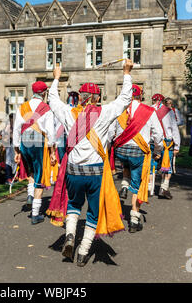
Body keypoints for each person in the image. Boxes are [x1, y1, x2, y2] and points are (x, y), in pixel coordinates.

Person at [46, 60, 133, 267]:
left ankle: (69, 236)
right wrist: (127, 73)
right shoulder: (104, 113)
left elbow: (52, 99)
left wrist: (56, 77)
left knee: (74, 205)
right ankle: (84, 251)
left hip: (73, 170)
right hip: (95, 172)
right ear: (97, 98)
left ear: (81, 98)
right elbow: (125, 98)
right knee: (93, 212)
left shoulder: (69, 112)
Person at [109, 86, 164, 233]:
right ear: (141, 97)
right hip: (138, 152)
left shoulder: (119, 109)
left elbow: (110, 132)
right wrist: (158, 151)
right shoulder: (148, 111)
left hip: (120, 150)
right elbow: (158, 135)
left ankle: (124, 185)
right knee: (138, 184)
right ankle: (134, 219)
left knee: (126, 162)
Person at [13, 80, 56, 224]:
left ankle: (30, 195)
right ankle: (35, 215)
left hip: (24, 142)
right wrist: (52, 152)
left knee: (30, 170)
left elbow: (16, 129)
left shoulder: (22, 107)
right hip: (39, 143)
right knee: (41, 175)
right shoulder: (46, 108)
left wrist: (16, 150)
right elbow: (51, 132)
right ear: (44, 93)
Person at [149, 95, 180, 200]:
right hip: (167, 143)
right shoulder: (169, 111)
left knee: (152, 165)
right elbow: (174, 129)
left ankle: (150, 188)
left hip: (153, 141)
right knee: (167, 166)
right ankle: (163, 188)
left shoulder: (149, 110)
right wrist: (177, 145)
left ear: (152, 100)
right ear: (162, 101)